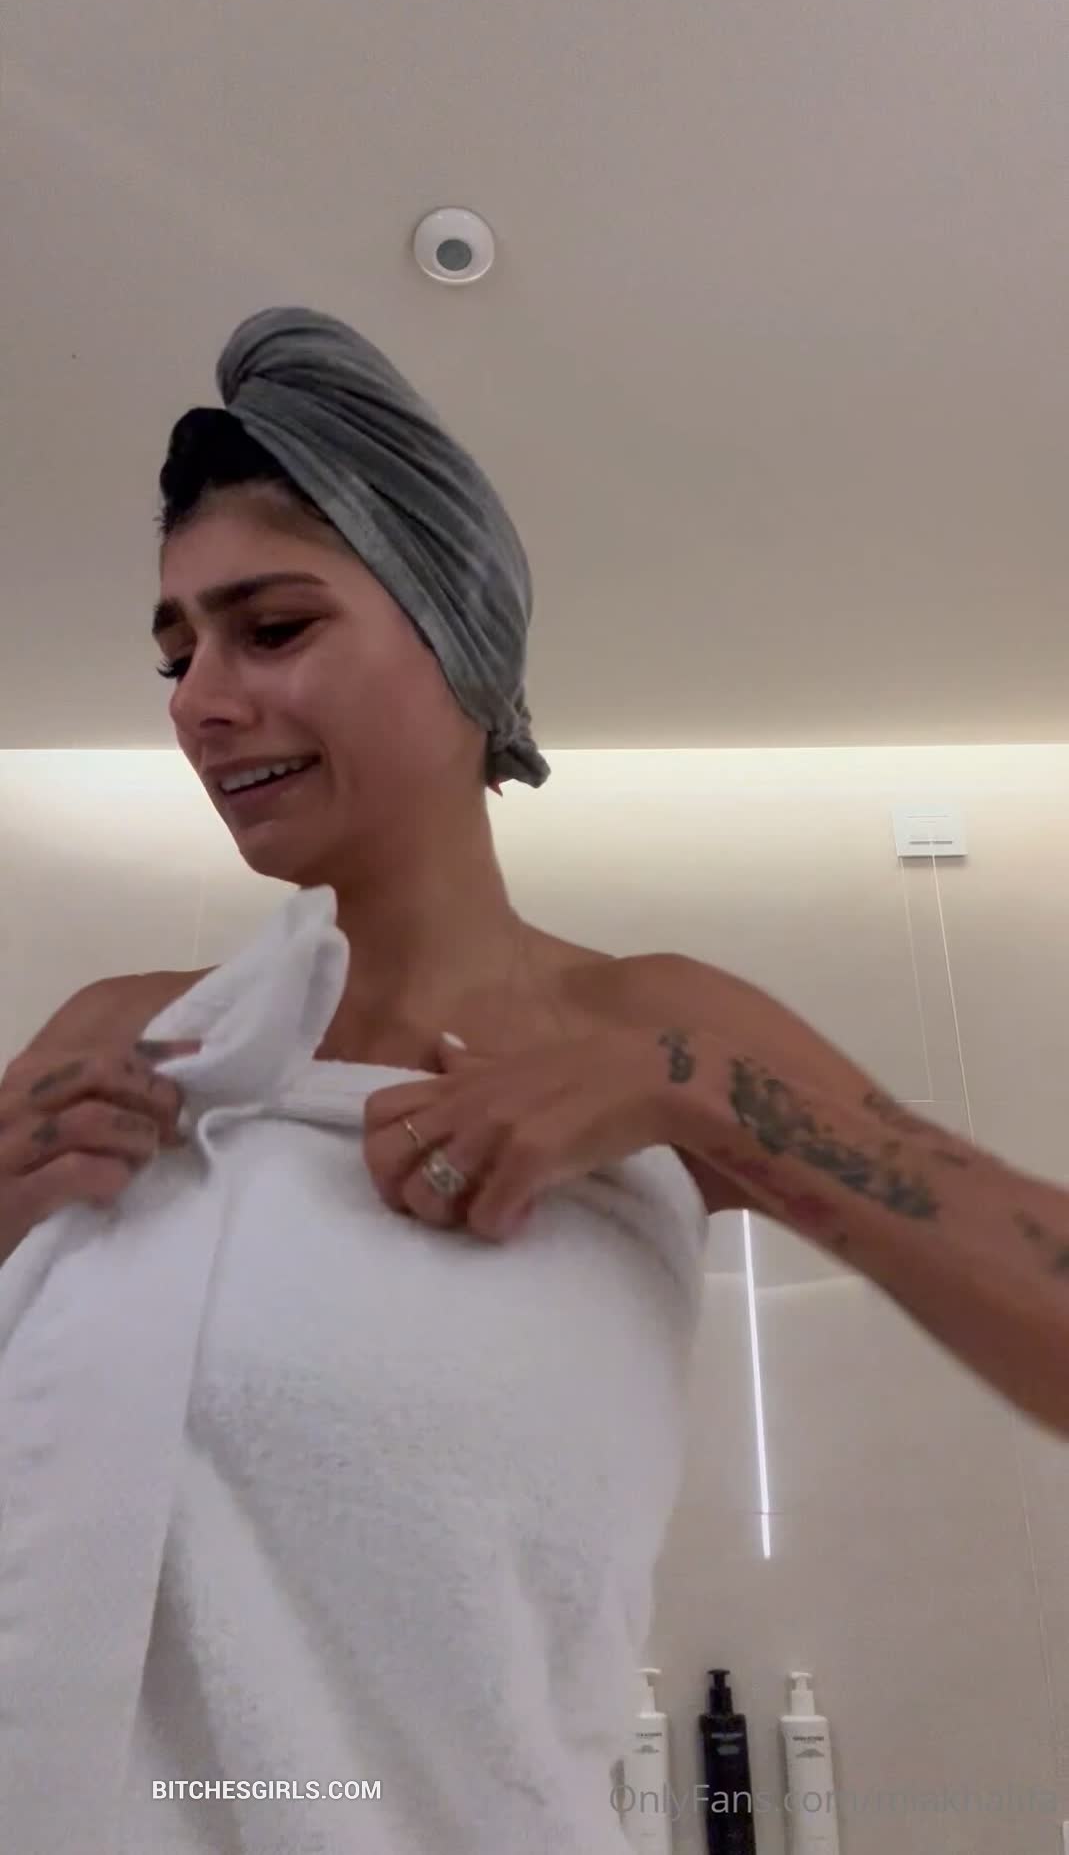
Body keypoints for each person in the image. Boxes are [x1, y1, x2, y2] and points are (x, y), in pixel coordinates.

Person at [1, 308, 1067, 1855]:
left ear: (457, 640)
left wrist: (691, 1088)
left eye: (270, 628)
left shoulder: (649, 1025)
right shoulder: (124, 1040)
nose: (196, 701)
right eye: (175, 654)